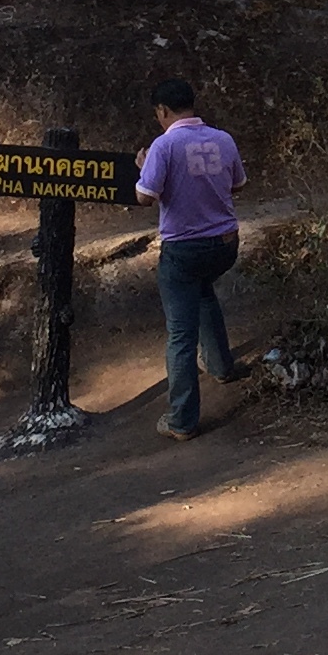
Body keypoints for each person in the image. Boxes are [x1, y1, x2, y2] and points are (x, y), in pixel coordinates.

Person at [134, 77, 247, 440]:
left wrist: (144, 166)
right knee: (203, 293)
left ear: (163, 111)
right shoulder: (223, 138)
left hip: (184, 249)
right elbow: (238, 185)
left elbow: (144, 197)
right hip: (225, 244)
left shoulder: (163, 146)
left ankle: (182, 419)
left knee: (180, 334)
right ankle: (220, 365)